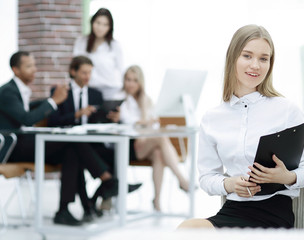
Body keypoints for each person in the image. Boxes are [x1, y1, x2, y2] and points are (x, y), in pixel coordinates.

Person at [177, 25, 304, 229]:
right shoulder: (212, 118)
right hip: (233, 209)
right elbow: (207, 177)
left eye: (264, 59)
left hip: (274, 214)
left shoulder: (287, 109)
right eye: (247, 56)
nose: (255, 65)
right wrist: (230, 184)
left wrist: (288, 177)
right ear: (233, 58)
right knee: (187, 229)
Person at [0, 51, 118, 226]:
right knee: (71, 141)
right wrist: (54, 101)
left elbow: (26, 111)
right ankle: (107, 180)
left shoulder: (20, 90)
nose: (34, 70)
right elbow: (26, 119)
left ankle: (63, 210)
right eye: (29, 66)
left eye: (34, 65)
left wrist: (48, 101)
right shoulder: (7, 91)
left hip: (26, 143)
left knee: (71, 151)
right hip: (12, 148)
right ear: (15, 70)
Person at [47, 55, 142, 216]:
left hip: (91, 145)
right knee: (74, 149)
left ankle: (95, 199)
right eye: (84, 73)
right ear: (73, 72)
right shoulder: (61, 92)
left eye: (90, 73)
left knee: (115, 155)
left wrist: (114, 119)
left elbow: (101, 122)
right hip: (66, 143)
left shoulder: (95, 95)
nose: (87, 77)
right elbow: (53, 121)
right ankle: (106, 186)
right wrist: (77, 114)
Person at [106, 65, 190, 212]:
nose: (131, 84)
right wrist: (142, 123)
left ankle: (156, 201)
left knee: (158, 154)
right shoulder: (118, 99)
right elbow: (125, 124)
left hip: (145, 144)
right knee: (162, 138)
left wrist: (146, 121)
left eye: (134, 80)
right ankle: (182, 180)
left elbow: (152, 126)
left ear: (140, 83)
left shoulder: (146, 100)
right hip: (128, 145)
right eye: (128, 79)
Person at [73, 8, 124, 100]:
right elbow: (75, 67)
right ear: (92, 22)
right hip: (86, 91)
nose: (100, 28)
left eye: (105, 25)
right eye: (98, 23)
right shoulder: (81, 42)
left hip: (110, 93)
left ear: (110, 27)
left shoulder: (114, 45)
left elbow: (121, 70)